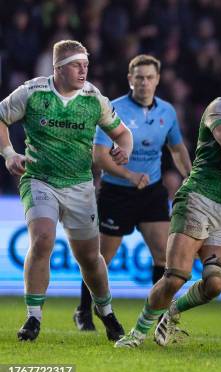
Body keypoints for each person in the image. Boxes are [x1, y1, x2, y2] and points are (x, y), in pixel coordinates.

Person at [114, 59, 221, 348]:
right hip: (199, 197)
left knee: (215, 283)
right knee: (175, 276)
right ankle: (135, 335)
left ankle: (171, 313)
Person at [0, 40, 132, 341]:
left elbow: (122, 133)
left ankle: (105, 310)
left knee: (89, 257)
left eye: (86, 64)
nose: (84, 70)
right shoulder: (32, 92)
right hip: (39, 179)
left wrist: (124, 149)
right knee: (43, 238)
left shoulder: (93, 99)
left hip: (80, 185)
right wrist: (9, 154)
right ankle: (33, 318)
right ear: (58, 68)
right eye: (77, 65)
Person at [73, 54, 192, 331]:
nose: (144, 83)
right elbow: (100, 156)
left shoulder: (167, 112)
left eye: (150, 77)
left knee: (163, 255)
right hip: (117, 193)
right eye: (139, 77)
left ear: (158, 80)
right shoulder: (113, 109)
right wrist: (128, 175)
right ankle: (83, 310)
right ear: (130, 79)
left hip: (151, 192)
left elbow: (177, 149)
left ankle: (160, 316)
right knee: (99, 257)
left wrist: (190, 176)